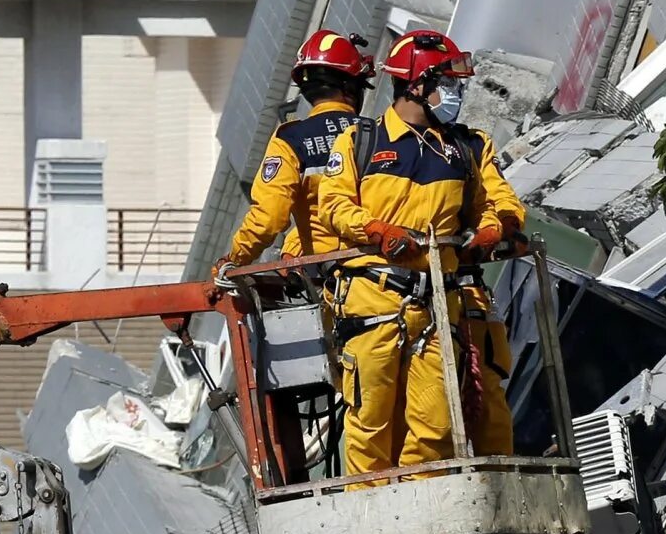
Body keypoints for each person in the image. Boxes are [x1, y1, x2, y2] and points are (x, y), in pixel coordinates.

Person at [315, 30, 529, 474]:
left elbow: (503, 203)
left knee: (437, 427)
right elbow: (333, 206)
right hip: (371, 301)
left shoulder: (468, 147)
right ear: (416, 85)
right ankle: (374, 526)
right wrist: (375, 230)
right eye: (447, 83)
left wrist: (496, 230)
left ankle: (410, 505)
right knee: (370, 427)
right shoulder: (360, 142)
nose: (457, 93)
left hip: (437, 306)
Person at [220, 29, 372, 269]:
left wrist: (234, 259)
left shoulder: (291, 138)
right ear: (352, 86)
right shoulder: (380, 134)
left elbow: (269, 218)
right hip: (386, 272)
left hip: (328, 279)